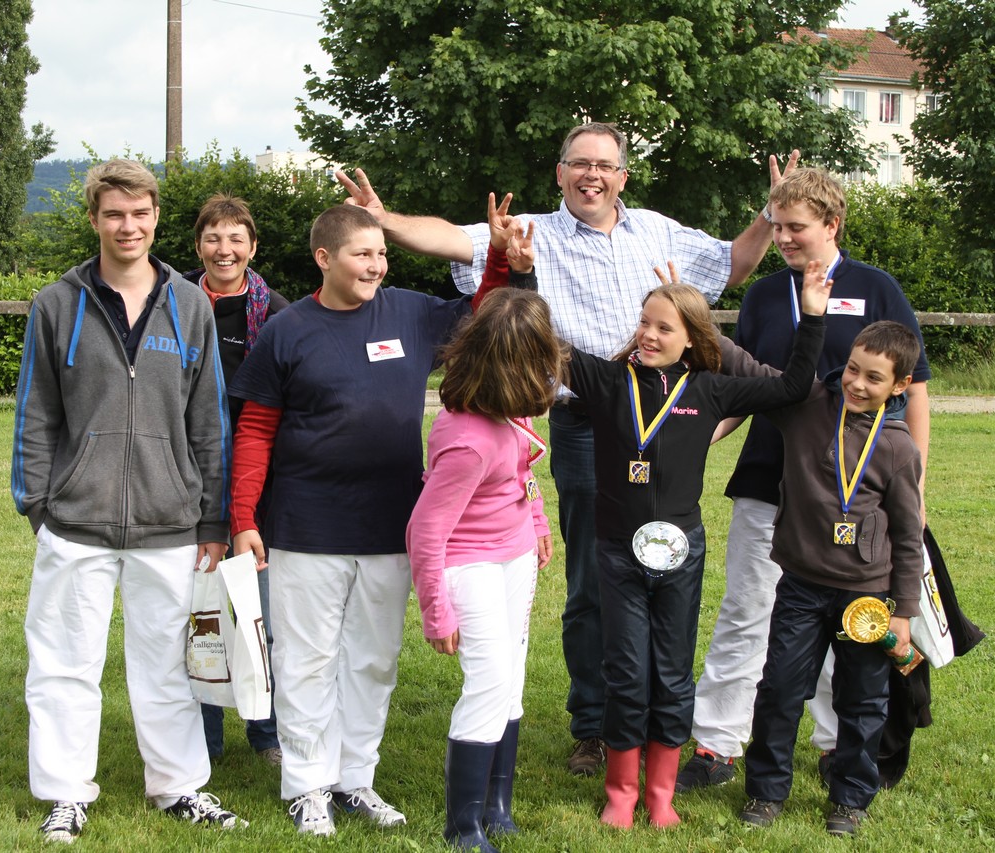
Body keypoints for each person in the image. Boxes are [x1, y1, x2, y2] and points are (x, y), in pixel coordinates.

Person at [337, 123, 798, 775]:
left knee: (668, 570)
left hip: (665, 416)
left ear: (622, 178)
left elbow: (734, 262)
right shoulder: (530, 232)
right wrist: (383, 219)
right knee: (596, 576)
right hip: (588, 422)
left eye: (604, 166)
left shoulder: (660, 233)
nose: (591, 175)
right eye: (579, 163)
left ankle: (652, 720)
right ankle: (595, 724)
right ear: (560, 173)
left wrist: (768, 214)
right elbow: (452, 238)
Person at [495, 220, 830, 828]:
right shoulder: (602, 380)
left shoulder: (712, 389)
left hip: (681, 552)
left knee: (672, 670)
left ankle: (661, 794)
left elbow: (793, 386)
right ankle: (622, 792)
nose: (649, 335)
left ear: (691, 337)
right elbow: (537, 340)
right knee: (626, 668)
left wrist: (811, 316)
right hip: (617, 553)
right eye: (645, 322)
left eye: (664, 327)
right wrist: (523, 274)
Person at [225, 203, 510, 837]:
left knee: (373, 660)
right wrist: (244, 515)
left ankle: (355, 779)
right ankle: (306, 786)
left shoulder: (409, 311)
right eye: (362, 254)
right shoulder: (287, 330)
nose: (376, 265)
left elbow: (483, 316)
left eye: (381, 254)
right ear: (324, 259)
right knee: (306, 660)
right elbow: (255, 430)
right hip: (307, 526)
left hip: (391, 525)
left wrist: (497, 256)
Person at [11, 159, 246, 843]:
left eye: (140, 213)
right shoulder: (58, 303)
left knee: (170, 663)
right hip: (74, 521)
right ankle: (63, 792)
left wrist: (210, 517)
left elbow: (209, 423)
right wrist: (39, 505)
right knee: (62, 661)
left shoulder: (190, 304)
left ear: (155, 217)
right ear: (95, 219)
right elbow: (34, 414)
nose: (128, 225)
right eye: (114, 213)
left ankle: (177, 786)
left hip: (171, 522)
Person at [678, 167, 931, 791]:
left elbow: (916, 388)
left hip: (857, 496)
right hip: (769, 478)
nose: (784, 237)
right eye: (776, 225)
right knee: (749, 608)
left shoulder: (876, 288)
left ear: (831, 224)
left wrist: (916, 485)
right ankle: (717, 742)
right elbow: (747, 388)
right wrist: (696, 439)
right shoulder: (765, 296)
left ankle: (834, 744)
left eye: (796, 227)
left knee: (842, 620)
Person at [730, 321, 926, 837]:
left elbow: (909, 536)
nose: (857, 384)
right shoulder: (807, 405)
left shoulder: (899, 449)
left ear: (900, 386)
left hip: (867, 598)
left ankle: (851, 797)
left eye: (874, 379)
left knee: (861, 699)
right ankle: (766, 789)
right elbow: (745, 366)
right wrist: (694, 320)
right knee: (780, 689)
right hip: (800, 584)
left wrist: (903, 613)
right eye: (854, 371)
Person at [407, 277, 560, 851]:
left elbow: (522, 471)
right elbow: (426, 528)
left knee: (512, 679)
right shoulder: (468, 439)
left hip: (513, 555)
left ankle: (497, 804)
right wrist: (436, 611)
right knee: (490, 680)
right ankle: (462, 825)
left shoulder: (509, 416)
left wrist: (538, 523)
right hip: (468, 564)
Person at [182, 194, 289, 766]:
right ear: (198, 245)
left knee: (258, 616)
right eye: (213, 238)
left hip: (259, 481)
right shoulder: (172, 304)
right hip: (187, 476)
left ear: (252, 246)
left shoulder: (275, 313)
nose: (225, 250)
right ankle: (203, 741)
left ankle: (266, 734)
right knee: (200, 616)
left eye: (236, 238)